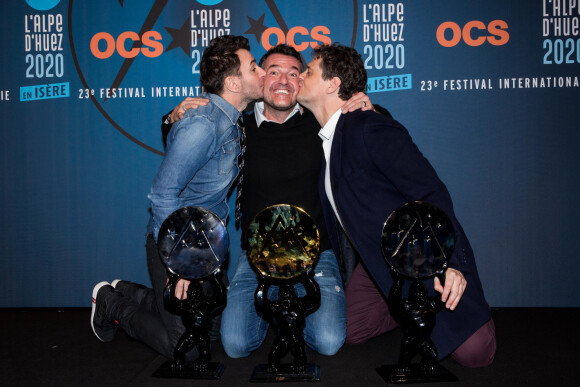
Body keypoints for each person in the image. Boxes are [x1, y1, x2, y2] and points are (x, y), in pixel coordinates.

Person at [166, 44, 375, 359]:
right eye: (274, 71)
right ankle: (281, 310)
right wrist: (172, 119)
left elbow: (372, 141)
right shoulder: (237, 128)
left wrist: (365, 107)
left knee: (329, 342)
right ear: (259, 78)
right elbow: (187, 159)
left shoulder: (321, 124)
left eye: (294, 73)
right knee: (236, 345)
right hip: (258, 259)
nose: (283, 80)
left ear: (302, 83)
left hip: (316, 257)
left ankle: (283, 311)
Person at [296, 43, 496, 367]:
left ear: (333, 83)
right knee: (353, 330)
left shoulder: (368, 125)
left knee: (475, 355)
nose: (302, 76)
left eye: (309, 70)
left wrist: (452, 264)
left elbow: (432, 193)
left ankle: (454, 304)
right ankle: (407, 311)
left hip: (421, 255)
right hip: (383, 265)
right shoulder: (330, 142)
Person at [90, 35, 265, 362]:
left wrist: (171, 121)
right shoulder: (204, 125)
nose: (262, 73)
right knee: (185, 349)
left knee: (210, 332)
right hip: (179, 242)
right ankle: (110, 301)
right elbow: (162, 193)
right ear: (232, 82)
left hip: (209, 242)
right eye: (254, 67)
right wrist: (180, 261)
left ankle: (133, 292)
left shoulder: (231, 119)